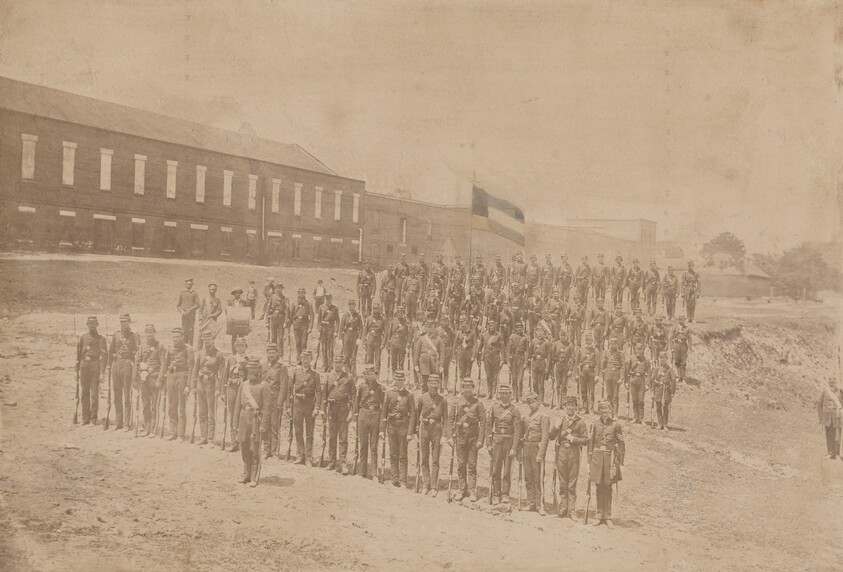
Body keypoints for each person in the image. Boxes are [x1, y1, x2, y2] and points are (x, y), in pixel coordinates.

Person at [447, 377, 486, 502]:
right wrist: (449, 436)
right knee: (461, 464)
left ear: (473, 388)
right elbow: (450, 419)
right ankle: (462, 489)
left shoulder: (478, 403)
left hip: (473, 438)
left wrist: (481, 439)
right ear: (462, 388)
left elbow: (483, 421)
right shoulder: (456, 402)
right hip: (460, 437)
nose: (467, 389)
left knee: (472, 464)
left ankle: (472, 490)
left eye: (470, 387)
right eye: (465, 387)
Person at [550, 396, 589, 519]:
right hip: (562, 452)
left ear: (576, 407)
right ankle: (563, 508)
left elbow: (586, 440)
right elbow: (551, 436)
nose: (570, 407)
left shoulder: (580, 422)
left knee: (572, 482)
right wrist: (556, 426)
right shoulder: (560, 420)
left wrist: (574, 439)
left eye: (573, 405)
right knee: (562, 481)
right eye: (568, 405)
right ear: (565, 406)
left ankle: (572, 510)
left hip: (574, 453)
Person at [588, 400, 625, 527]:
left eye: (606, 409)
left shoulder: (616, 425)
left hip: (610, 460)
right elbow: (590, 444)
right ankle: (599, 515)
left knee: (608, 486)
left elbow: (621, 444)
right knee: (599, 486)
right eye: (601, 409)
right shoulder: (594, 424)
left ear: (610, 410)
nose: (604, 411)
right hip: (597, 458)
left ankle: (608, 516)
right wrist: (589, 462)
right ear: (599, 411)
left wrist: (620, 463)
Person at [233, 358, 270, 486]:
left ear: (259, 370)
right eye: (250, 368)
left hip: (256, 420)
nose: (252, 371)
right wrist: (235, 423)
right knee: (244, 446)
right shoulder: (244, 385)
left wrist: (264, 425)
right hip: (244, 419)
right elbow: (237, 405)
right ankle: (246, 474)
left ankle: (254, 476)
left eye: (255, 368)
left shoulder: (264, 386)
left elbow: (267, 407)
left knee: (254, 449)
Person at [486, 381, 523, 505]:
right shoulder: (494, 408)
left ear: (510, 394)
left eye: (506, 393)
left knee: (507, 470)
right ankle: (496, 494)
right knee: (496, 469)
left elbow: (517, 431)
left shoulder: (515, 410)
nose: (504, 395)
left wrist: (514, 448)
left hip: (509, 441)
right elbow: (488, 426)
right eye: (501, 393)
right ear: (499, 394)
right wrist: (489, 443)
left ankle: (505, 494)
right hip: (497, 441)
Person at [381, 370, 417, 487]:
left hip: (403, 426)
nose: (399, 382)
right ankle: (394, 478)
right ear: (394, 379)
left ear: (404, 380)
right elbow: (384, 412)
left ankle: (402, 480)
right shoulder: (389, 393)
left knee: (402, 454)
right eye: (398, 379)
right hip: (391, 426)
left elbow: (412, 414)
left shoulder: (409, 395)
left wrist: (410, 432)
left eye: (401, 380)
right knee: (393, 453)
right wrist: (382, 429)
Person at [322, 354, 356, 473]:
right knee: (332, 436)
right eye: (336, 362)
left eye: (340, 363)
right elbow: (324, 394)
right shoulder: (328, 376)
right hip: (332, 408)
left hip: (343, 409)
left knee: (343, 436)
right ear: (333, 363)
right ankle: (331, 462)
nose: (338, 365)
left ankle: (342, 463)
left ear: (343, 364)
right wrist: (323, 409)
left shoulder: (349, 377)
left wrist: (352, 411)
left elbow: (353, 395)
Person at [416, 373, 448, 495]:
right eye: (431, 383)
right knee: (424, 458)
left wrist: (444, 435)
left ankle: (434, 486)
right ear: (428, 384)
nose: (433, 386)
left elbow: (445, 418)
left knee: (435, 459)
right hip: (424, 429)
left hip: (437, 429)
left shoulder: (443, 400)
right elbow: (416, 415)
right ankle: (426, 483)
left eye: (436, 383)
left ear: (439, 384)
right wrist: (415, 432)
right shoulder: (422, 398)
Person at [161, 327, 195, 442]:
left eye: (177, 337)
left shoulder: (188, 349)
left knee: (181, 407)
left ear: (182, 337)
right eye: (174, 337)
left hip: (182, 378)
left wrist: (188, 385)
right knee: (171, 406)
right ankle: (172, 432)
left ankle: (180, 434)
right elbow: (166, 365)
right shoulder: (169, 349)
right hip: (171, 378)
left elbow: (191, 368)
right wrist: (166, 382)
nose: (175, 339)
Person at [289, 349, 322, 465]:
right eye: (304, 358)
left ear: (311, 359)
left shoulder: (315, 374)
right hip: (298, 403)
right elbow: (289, 389)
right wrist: (289, 406)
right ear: (301, 359)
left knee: (309, 432)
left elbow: (319, 392)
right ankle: (300, 455)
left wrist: (317, 407)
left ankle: (308, 457)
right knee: (298, 430)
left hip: (309, 404)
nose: (306, 360)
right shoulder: (295, 372)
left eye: (308, 358)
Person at [191, 331, 225, 445]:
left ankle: (210, 438)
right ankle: (203, 436)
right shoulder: (200, 353)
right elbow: (195, 369)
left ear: (212, 339)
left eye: (209, 339)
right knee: (202, 411)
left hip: (211, 384)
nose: (207, 342)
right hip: (200, 384)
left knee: (211, 412)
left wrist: (218, 389)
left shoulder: (218, 354)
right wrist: (193, 385)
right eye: (205, 340)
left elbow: (221, 373)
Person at [108, 313, 140, 431]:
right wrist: (109, 365)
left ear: (129, 322)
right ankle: (118, 421)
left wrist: (136, 367)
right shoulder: (116, 335)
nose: (123, 323)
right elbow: (111, 350)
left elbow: (138, 352)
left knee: (127, 395)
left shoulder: (134, 336)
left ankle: (127, 423)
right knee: (117, 395)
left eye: (125, 321)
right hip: (116, 365)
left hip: (127, 365)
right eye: (121, 321)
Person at [521, 392, 550, 515]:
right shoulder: (526, 417)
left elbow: (545, 437)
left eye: (533, 402)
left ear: (538, 402)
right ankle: (530, 502)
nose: (532, 405)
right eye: (529, 403)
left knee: (538, 477)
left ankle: (539, 504)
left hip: (536, 449)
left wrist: (541, 453)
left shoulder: (543, 416)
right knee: (528, 476)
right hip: (527, 447)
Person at [353, 364, 384, 478]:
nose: (370, 376)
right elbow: (356, 402)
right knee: (363, 444)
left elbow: (383, 406)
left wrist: (381, 423)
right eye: (368, 374)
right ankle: (362, 471)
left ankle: (374, 473)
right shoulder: (361, 386)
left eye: (372, 374)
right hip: (363, 414)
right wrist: (355, 418)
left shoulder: (380, 388)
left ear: (376, 375)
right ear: (365, 375)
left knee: (374, 445)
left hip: (375, 415)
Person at [76, 316, 108, 426]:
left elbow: (104, 355)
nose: (92, 326)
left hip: (95, 366)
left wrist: (102, 372)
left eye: (94, 324)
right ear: (87, 325)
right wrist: (76, 371)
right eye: (90, 324)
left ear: (97, 325)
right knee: (84, 392)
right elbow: (78, 355)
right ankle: (85, 418)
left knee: (94, 393)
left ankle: (93, 419)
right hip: (84, 365)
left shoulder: (101, 339)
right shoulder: (83, 338)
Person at [223, 336, 251, 451]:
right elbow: (225, 375)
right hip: (232, 389)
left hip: (242, 390)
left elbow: (249, 377)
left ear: (245, 347)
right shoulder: (231, 359)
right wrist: (223, 391)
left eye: (242, 346)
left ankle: (242, 441)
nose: (240, 348)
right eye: (238, 346)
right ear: (235, 347)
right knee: (232, 415)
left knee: (241, 415)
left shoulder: (248, 360)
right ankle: (233, 441)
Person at [136, 324, 164, 436]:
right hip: (144, 379)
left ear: (154, 333)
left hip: (154, 378)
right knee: (146, 404)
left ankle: (153, 429)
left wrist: (160, 379)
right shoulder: (142, 346)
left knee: (154, 406)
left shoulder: (160, 346)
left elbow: (163, 364)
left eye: (151, 332)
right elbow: (138, 361)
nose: (149, 334)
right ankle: (147, 428)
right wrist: (140, 369)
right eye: (147, 332)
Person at [262, 342, 289, 458]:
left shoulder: (281, 368)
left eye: (273, 352)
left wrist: (280, 402)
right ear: (267, 354)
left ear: (277, 354)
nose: (271, 355)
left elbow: (284, 386)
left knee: (274, 425)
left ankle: (274, 450)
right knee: (265, 424)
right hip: (264, 400)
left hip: (275, 398)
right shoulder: (262, 366)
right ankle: (266, 449)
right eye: (269, 352)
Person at [476, 321, 504, 399]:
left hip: (496, 357)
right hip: (487, 357)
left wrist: (503, 359)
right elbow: (480, 347)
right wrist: (478, 358)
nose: (491, 327)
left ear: (495, 326)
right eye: (489, 325)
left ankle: (494, 394)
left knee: (495, 376)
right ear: (487, 326)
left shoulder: (499, 335)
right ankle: (488, 394)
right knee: (488, 375)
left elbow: (502, 347)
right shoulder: (484, 335)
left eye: (493, 325)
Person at [817, 378, 843, 459]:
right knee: (829, 434)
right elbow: (819, 405)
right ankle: (830, 452)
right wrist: (821, 418)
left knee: (838, 435)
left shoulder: (840, 392)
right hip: (828, 417)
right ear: (828, 383)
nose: (832, 384)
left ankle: (837, 453)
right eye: (830, 382)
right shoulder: (825, 392)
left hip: (837, 417)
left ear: (836, 383)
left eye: (833, 382)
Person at [413, 318, 440, 394]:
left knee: (434, 381)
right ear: (426, 328)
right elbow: (417, 352)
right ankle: (424, 397)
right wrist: (415, 364)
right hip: (424, 364)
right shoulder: (422, 339)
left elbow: (442, 353)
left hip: (434, 363)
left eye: (431, 327)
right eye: (428, 327)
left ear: (434, 327)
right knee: (424, 382)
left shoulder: (438, 339)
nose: (430, 329)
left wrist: (441, 365)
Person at [625, 344, 651, 424]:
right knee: (634, 400)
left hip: (641, 381)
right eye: (637, 349)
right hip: (633, 380)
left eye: (641, 350)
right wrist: (626, 382)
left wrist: (647, 384)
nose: (639, 351)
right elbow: (627, 371)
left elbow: (649, 373)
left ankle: (641, 418)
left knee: (641, 400)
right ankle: (635, 417)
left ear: (643, 351)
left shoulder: (646, 360)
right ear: (635, 350)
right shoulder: (631, 359)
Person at [601, 338, 625, 418]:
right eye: (612, 344)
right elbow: (603, 364)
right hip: (608, 376)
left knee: (615, 396)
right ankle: (608, 413)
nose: (613, 345)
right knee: (608, 395)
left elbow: (622, 366)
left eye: (614, 344)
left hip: (616, 376)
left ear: (617, 344)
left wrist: (621, 378)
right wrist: (603, 369)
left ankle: (615, 414)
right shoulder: (606, 352)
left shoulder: (620, 354)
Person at [651, 354, 676, 431]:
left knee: (665, 407)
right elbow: (652, 380)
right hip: (658, 390)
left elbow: (673, 381)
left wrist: (672, 392)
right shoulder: (656, 369)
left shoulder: (670, 369)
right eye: (661, 358)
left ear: (667, 359)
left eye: (664, 358)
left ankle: (665, 424)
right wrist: (652, 392)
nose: (662, 360)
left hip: (666, 390)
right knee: (658, 406)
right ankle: (659, 423)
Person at [550, 331, 574, 407]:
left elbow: (573, 358)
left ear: (566, 336)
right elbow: (552, 356)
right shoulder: (556, 344)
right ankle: (557, 404)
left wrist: (570, 369)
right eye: (560, 336)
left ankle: (563, 403)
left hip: (565, 366)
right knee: (557, 385)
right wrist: (552, 369)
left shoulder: (570, 345)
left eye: (563, 336)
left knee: (563, 386)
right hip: (557, 365)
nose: (562, 337)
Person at [290, 288, 314, 364]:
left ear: (305, 293)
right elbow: (290, 314)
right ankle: (298, 359)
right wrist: (291, 324)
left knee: (303, 343)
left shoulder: (308, 303)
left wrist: (310, 327)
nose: (301, 294)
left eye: (303, 293)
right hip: (296, 325)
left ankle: (304, 359)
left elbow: (312, 316)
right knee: (297, 343)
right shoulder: (294, 303)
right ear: (298, 293)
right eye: (300, 293)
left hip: (304, 325)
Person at [528, 327, 551, 404]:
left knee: (541, 384)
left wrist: (547, 367)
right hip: (535, 363)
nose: (539, 334)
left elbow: (549, 355)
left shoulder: (547, 343)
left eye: (541, 332)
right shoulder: (533, 341)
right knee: (534, 383)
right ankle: (535, 399)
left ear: (544, 334)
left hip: (542, 363)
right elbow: (529, 353)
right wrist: (528, 363)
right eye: (538, 332)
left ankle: (541, 401)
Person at [317, 293, 340, 372]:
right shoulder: (321, 307)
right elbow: (319, 320)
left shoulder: (334, 308)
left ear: (331, 299)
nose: (328, 300)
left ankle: (330, 366)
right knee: (324, 348)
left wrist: (336, 331)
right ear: (324, 299)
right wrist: (318, 330)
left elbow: (337, 320)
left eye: (329, 299)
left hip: (331, 329)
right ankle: (325, 365)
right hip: (323, 330)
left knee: (330, 348)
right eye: (326, 299)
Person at [577, 335, 600, 414]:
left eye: (590, 341)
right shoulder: (581, 350)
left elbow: (597, 364)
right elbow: (576, 363)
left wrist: (597, 375)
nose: (588, 342)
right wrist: (577, 374)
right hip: (583, 372)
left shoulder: (595, 351)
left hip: (591, 372)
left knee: (591, 391)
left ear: (592, 341)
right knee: (583, 390)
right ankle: (584, 407)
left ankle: (591, 408)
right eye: (587, 341)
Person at [340, 300, 363, 374]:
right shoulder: (345, 315)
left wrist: (359, 338)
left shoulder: (358, 315)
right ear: (348, 306)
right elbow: (341, 327)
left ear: (355, 306)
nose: (351, 306)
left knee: (353, 356)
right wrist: (341, 338)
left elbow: (361, 327)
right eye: (350, 305)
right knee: (346, 355)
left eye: (353, 305)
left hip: (354, 336)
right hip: (346, 336)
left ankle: (353, 372)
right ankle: (347, 371)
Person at [508, 322, 529, 402]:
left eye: (521, 327)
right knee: (514, 379)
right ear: (515, 328)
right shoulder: (512, 336)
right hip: (514, 358)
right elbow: (509, 349)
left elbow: (527, 351)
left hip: (521, 357)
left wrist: (526, 362)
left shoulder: (525, 337)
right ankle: (514, 396)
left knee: (520, 380)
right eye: (518, 327)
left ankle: (520, 397)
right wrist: (509, 361)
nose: (519, 328)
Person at [177, 278, 200, 346]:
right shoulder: (182, 293)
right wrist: (181, 311)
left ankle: (190, 346)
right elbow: (178, 305)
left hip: (191, 315)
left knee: (190, 330)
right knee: (184, 330)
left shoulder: (194, 293)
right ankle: (184, 346)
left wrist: (190, 310)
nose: (188, 285)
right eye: (187, 284)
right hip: (184, 315)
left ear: (192, 285)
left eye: (190, 284)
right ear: (185, 284)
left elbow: (197, 304)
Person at [436, 314, 455, 393]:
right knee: (439, 368)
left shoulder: (451, 330)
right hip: (439, 350)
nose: (444, 323)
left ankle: (445, 387)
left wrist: (452, 353)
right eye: (442, 321)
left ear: (448, 322)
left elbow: (453, 342)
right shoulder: (437, 330)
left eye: (446, 321)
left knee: (446, 369)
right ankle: (439, 387)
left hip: (447, 350)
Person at [364, 303, 386, 373]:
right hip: (370, 340)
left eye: (377, 309)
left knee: (377, 360)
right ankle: (369, 375)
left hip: (378, 340)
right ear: (372, 309)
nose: (376, 310)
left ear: (380, 310)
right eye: (374, 309)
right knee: (369, 359)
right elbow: (365, 331)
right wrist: (364, 343)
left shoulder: (382, 320)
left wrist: (383, 343)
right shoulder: (368, 319)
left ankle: (377, 376)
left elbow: (385, 332)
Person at [387, 306, 409, 372]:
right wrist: (388, 343)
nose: (400, 314)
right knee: (393, 360)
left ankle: (400, 375)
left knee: (401, 361)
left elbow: (407, 333)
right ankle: (394, 375)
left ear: (403, 313)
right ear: (396, 313)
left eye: (401, 313)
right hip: (393, 342)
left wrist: (407, 343)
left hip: (402, 342)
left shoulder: (406, 322)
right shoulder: (393, 321)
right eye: (398, 313)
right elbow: (389, 332)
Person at [267, 283, 288, 351]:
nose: (278, 290)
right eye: (277, 288)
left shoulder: (285, 298)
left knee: (281, 337)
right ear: (275, 289)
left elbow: (287, 311)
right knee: (273, 337)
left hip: (281, 318)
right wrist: (267, 321)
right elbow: (268, 309)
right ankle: (274, 352)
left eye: (280, 288)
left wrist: (285, 322)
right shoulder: (272, 297)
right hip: (273, 318)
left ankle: (280, 354)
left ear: (282, 289)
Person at [227, 288, 250, 353]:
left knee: (242, 338)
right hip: (233, 323)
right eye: (236, 293)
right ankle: (234, 352)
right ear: (234, 294)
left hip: (241, 323)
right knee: (234, 338)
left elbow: (246, 313)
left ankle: (242, 352)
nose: (237, 294)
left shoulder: (244, 303)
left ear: (240, 294)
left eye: (238, 293)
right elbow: (228, 312)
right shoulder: (230, 302)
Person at [671, 316, 692, 382]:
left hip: (684, 346)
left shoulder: (687, 329)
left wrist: (689, 348)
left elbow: (690, 338)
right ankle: (679, 376)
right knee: (677, 361)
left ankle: (683, 378)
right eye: (680, 319)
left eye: (683, 320)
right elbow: (670, 338)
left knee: (683, 362)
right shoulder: (674, 328)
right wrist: (671, 347)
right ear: (678, 320)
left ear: (684, 320)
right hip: (676, 345)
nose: (681, 321)